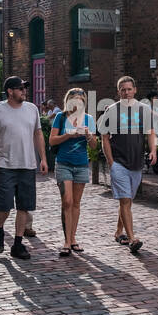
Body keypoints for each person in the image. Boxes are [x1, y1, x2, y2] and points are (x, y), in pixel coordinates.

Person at [0, 75, 46, 259]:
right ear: (10, 91)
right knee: (4, 205)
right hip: (5, 165)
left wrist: (43, 158)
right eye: (20, 88)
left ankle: (18, 244)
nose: (24, 91)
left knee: (24, 206)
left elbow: (38, 134)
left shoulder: (32, 109)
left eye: (25, 88)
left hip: (28, 164)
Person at [100, 75, 156, 254]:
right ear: (118, 92)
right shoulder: (111, 111)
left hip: (136, 163)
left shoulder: (144, 110)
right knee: (125, 200)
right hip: (119, 163)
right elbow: (104, 137)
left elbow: (150, 132)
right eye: (123, 90)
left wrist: (153, 150)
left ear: (135, 90)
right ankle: (132, 239)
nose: (126, 92)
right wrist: (111, 162)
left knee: (128, 201)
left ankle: (119, 232)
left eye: (129, 89)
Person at [50, 87, 96, 256]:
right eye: (74, 100)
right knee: (67, 201)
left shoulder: (89, 119)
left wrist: (88, 135)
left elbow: (94, 146)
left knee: (76, 203)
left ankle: (73, 238)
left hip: (81, 165)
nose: (77, 103)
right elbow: (52, 140)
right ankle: (66, 241)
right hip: (64, 163)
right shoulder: (61, 117)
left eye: (80, 100)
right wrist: (68, 135)